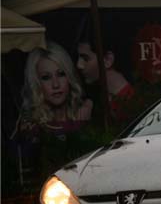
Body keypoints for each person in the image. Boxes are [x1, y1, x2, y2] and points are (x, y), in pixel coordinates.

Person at [11, 41, 93, 182]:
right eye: (46, 77)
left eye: (61, 74)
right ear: (36, 83)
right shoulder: (31, 129)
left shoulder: (86, 117)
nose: (56, 84)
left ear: (69, 77)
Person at [77, 40, 135, 122]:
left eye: (86, 59)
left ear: (108, 60)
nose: (79, 65)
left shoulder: (131, 103)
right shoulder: (98, 97)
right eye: (78, 58)